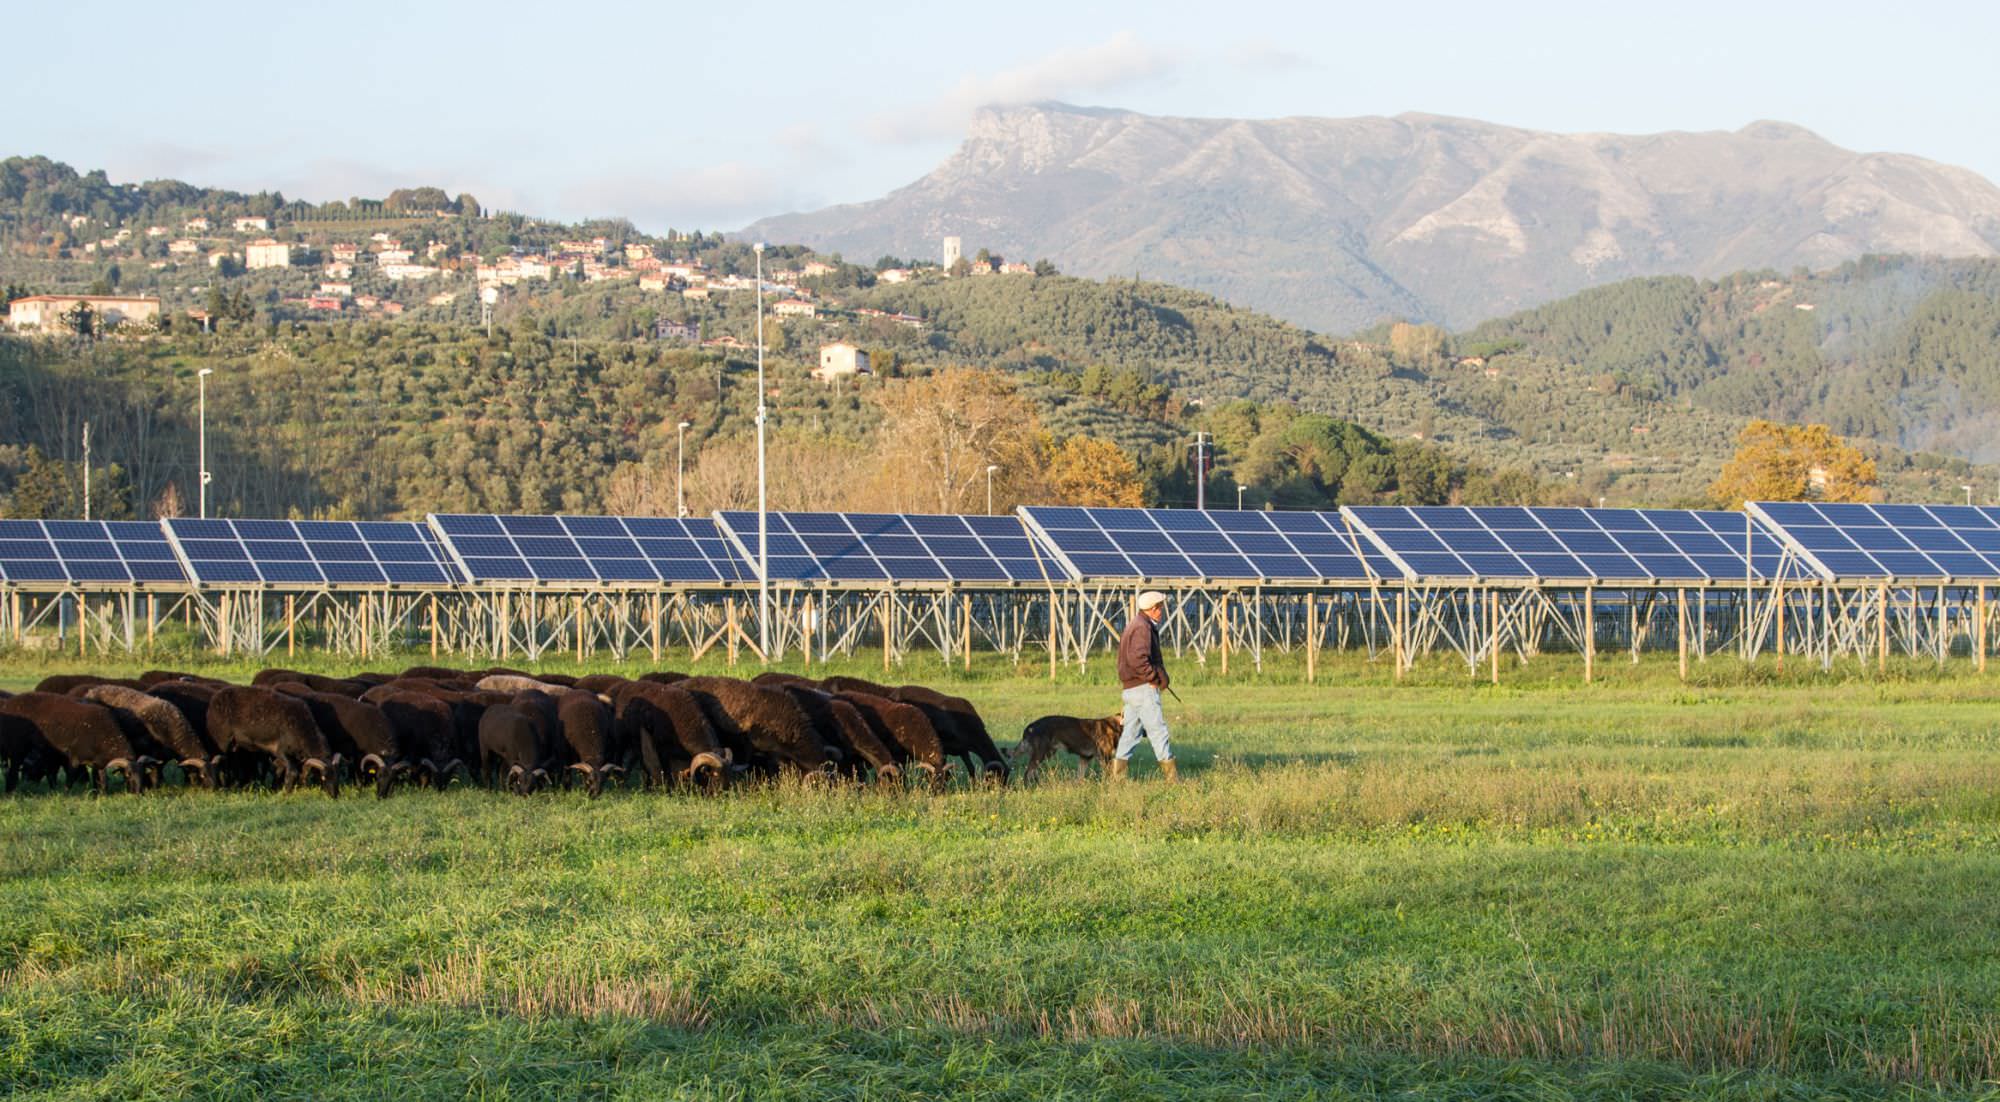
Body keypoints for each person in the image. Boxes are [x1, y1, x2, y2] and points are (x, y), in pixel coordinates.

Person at [1112, 590, 1176, 781]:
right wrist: (1153, 678)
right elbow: (1138, 659)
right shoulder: (1143, 627)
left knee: (1130, 734)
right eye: (1160, 608)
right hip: (1143, 689)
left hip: (1131, 690)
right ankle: (1172, 780)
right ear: (1153, 609)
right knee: (1158, 732)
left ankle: (1118, 779)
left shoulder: (1135, 624)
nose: (1162, 611)